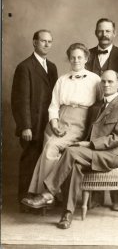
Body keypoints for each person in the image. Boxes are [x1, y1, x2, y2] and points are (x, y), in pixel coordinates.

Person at [22, 70, 118, 229]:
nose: (106, 85)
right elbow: (87, 132)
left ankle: (48, 193)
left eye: (110, 82)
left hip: (112, 155)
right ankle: (67, 214)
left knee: (71, 152)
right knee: (74, 165)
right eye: (103, 82)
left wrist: (88, 145)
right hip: (93, 154)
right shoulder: (95, 107)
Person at [27, 43, 101, 195]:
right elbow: (53, 106)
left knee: (51, 148)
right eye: (72, 57)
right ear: (69, 59)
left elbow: (101, 106)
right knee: (47, 147)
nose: (76, 60)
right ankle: (52, 194)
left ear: (86, 58)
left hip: (79, 122)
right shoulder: (62, 79)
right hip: (59, 120)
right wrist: (54, 124)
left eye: (80, 57)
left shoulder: (95, 79)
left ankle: (44, 194)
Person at [86, 17, 118, 210]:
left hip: (117, 111)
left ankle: (116, 199)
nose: (103, 35)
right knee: (95, 147)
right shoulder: (86, 55)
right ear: (95, 32)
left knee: (114, 148)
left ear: (114, 33)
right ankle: (95, 197)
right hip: (94, 110)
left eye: (107, 31)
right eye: (100, 31)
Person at [11, 29, 58, 208]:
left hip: (47, 123)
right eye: (43, 41)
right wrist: (25, 126)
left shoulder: (52, 67)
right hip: (32, 125)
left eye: (49, 41)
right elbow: (20, 100)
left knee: (44, 162)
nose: (46, 44)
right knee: (29, 161)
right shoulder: (25, 67)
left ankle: (41, 200)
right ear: (34, 42)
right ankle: (24, 201)